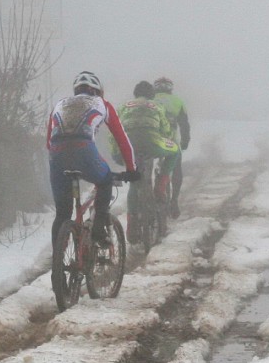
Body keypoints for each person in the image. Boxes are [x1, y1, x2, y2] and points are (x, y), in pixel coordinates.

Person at [47, 71, 140, 254]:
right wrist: (131, 169)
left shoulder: (60, 105)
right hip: (84, 151)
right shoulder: (102, 104)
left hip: (56, 156)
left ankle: (58, 259)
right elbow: (122, 139)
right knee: (105, 180)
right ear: (97, 90)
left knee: (62, 213)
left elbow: (49, 141)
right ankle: (98, 229)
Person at [117, 81, 182, 240]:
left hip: (128, 148)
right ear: (151, 95)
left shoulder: (123, 106)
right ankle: (162, 183)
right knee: (175, 151)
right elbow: (166, 130)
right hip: (152, 143)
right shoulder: (156, 106)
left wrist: (117, 152)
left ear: (135, 94)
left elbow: (116, 128)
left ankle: (132, 223)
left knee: (135, 181)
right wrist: (164, 141)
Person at [152, 76, 190, 218]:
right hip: (171, 141)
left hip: (152, 140)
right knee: (176, 168)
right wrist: (185, 141)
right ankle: (174, 201)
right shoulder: (178, 101)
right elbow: (184, 124)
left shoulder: (150, 101)